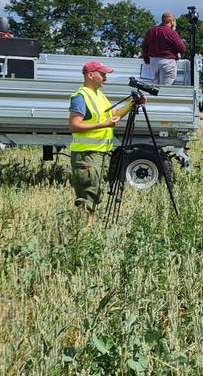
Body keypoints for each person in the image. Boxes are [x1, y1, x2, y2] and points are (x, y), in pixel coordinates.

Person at [68, 61, 138, 224]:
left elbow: (114, 115)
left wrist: (132, 103)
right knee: (88, 193)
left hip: (98, 153)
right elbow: (74, 125)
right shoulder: (81, 96)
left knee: (95, 190)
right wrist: (104, 124)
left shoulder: (99, 96)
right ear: (90, 75)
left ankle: (88, 225)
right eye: (103, 74)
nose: (106, 77)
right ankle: (85, 229)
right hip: (87, 154)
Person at [142, 12, 188, 85]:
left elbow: (145, 47)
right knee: (166, 88)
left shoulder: (151, 31)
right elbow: (182, 49)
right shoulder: (171, 33)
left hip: (153, 62)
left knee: (155, 87)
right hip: (167, 62)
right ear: (171, 21)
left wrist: (147, 61)